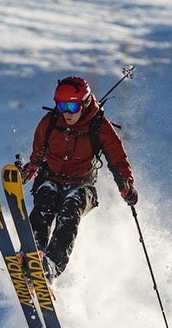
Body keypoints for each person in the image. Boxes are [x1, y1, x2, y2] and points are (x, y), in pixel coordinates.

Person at [18, 76, 137, 283]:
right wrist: (27, 171)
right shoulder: (50, 122)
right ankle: (33, 253)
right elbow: (37, 155)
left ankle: (52, 265)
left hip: (81, 185)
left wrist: (126, 184)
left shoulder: (99, 126)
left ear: (84, 103)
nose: (66, 112)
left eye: (72, 107)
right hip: (50, 179)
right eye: (61, 105)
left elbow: (117, 159)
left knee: (69, 213)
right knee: (44, 204)